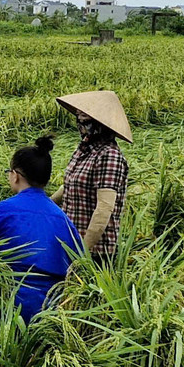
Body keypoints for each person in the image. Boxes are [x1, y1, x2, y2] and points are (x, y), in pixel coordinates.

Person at [0, 137, 84, 322]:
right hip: (53, 310)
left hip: (5, 306)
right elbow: (77, 263)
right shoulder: (63, 219)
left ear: (15, 175)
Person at [51, 91, 131, 263]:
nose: (80, 123)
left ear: (100, 124)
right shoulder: (83, 150)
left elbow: (104, 208)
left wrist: (83, 253)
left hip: (95, 252)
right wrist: (43, 204)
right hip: (71, 243)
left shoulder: (109, 156)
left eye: (85, 119)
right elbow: (70, 185)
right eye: (79, 117)